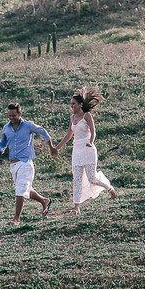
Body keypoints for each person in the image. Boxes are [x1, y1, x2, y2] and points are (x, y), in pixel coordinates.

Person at [52, 87, 118, 215]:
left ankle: (109, 188)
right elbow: (68, 136)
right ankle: (76, 208)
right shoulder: (72, 118)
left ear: (80, 104)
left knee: (92, 178)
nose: (71, 106)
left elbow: (93, 132)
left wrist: (91, 141)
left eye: (73, 104)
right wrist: (56, 148)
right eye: (71, 104)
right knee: (76, 180)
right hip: (77, 151)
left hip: (88, 149)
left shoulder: (87, 115)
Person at [0, 102, 56, 223]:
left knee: (20, 191)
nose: (11, 118)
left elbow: (43, 132)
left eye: (14, 115)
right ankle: (44, 201)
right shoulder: (6, 128)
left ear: (20, 113)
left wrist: (51, 147)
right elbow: (2, 143)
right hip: (13, 165)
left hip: (25, 163)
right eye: (9, 116)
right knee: (26, 189)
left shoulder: (28, 125)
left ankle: (16, 218)